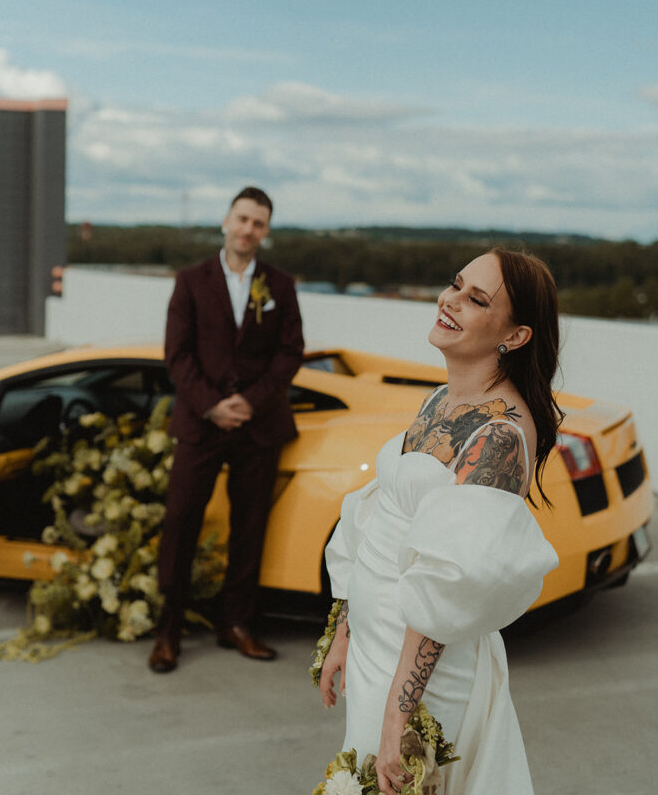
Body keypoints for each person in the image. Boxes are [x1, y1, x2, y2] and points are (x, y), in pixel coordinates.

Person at [318, 248, 563, 794]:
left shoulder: (498, 438)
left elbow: (447, 587)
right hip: (375, 645)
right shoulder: (439, 399)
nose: (450, 300)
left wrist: (395, 721)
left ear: (515, 336)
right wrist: (346, 631)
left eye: (476, 299)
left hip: (424, 675)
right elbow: (381, 517)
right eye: (456, 284)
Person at [148, 186, 304, 673]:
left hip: (258, 426)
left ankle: (236, 623)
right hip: (200, 424)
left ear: (266, 231)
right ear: (225, 221)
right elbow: (177, 354)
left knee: (250, 528)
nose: (248, 229)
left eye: (258, 223)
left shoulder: (279, 284)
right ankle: (168, 630)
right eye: (242, 219)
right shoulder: (191, 281)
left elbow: (289, 352)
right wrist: (213, 405)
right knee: (180, 525)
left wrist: (249, 403)